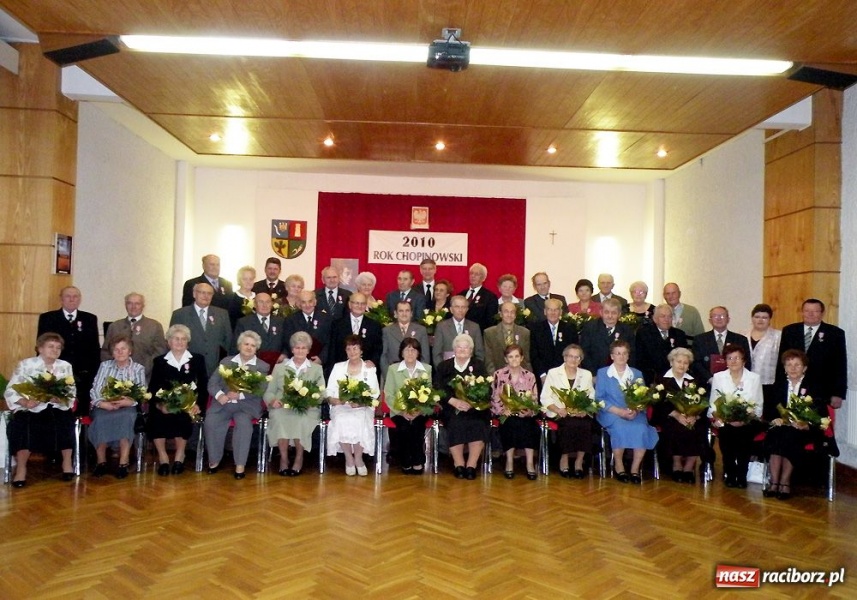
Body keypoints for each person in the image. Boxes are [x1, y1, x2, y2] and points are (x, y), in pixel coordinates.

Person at [3, 333, 77, 487]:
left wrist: (61, 398)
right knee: (24, 425)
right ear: (40, 348)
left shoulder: (65, 366)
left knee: (65, 421)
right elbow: (10, 390)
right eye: (50, 346)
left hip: (56, 407)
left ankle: (67, 463)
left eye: (58, 347)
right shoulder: (26, 364)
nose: (55, 350)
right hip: (30, 408)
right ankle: (21, 469)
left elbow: (71, 391)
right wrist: (24, 401)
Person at [205, 331, 271, 479]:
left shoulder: (262, 366)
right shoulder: (226, 362)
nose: (249, 347)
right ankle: (214, 460)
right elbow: (212, 383)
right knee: (210, 421)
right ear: (239, 345)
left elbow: (261, 389)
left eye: (253, 345)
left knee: (243, 425)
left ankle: (240, 465)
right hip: (223, 403)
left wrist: (240, 395)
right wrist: (220, 395)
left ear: (257, 349)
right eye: (246, 344)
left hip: (246, 406)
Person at [764, 350, 828, 500]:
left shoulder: (814, 387)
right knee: (775, 434)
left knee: (790, 436)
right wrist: (775, 419)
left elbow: (821, 414)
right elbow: (769, 411)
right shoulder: (778, 385)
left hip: (804, 429)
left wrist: (806, 424)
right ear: (784, 367)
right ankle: (774, 482)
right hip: (781, 427)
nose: (793, 368)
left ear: (804, 368)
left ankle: (785, 482)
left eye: (797, 365)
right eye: (789, 365)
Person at [264, 331, 327, 476]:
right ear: (292, 349)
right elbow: (269, 391)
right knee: (279, 419)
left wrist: (311, 402)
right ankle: (284, 459)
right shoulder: (280, 367)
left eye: (303, 348)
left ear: (308, 350)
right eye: (297, 348)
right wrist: (273, 401)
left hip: (307, 408)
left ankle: (299, 458)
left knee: (301, 420)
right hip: (283, 406)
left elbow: (322, 392)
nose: (300, 351)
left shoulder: (316, 369)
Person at [147, 324, 207, 476]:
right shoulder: (160, 361)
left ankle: (180, 456)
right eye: (176, 339)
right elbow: (153, 388)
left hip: (188, 404)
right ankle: (163, 457)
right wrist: (161, 405)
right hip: (165, 404)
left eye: (183, 339)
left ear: (188, 342)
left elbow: (203, 386)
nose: (180, 342)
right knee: (157, 417)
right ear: (169, 342)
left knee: (183, 416)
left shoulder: (197, 360)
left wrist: (198, 406)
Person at [595, 340, 658, 484]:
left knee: (641, 429)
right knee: (620, 428)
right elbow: (599, 399)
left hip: (634, 413)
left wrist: (635, 409)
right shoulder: (603, 373)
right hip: (611, 412)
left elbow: (642, 396)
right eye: (618, 353)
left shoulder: (637, 374)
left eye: (624, 353)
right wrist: (619, 411)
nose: (621, 356)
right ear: (612, 356)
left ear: (628, 356)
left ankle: (635, 469)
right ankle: (619, 466)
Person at [89, 336, 146, 479]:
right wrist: (102, 403)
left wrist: (129, 401)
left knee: (127, 417)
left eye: (123, 349)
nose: (120, 352)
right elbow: (96, 388)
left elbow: (141, 391)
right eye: (116, 349)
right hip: (104, 405)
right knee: (100, 418)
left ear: (130, 351)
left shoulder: (138, 368)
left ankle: (123, 462)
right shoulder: (105, 366)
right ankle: (101, 462)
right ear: (112, 352)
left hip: (127, 406)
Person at [37, 286, 100, 415]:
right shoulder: (48, 318)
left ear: (80, 299)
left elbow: (94, 348)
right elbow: (41, 346)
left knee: (82, 412)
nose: (72, 299)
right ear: (61, 298)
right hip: (56, 374)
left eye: (75, 296)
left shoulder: (90, 319)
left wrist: (94, 373)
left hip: (83, 375)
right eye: (68, 296)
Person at [434, 334, 490, 480]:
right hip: (451, 407)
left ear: (471, 350)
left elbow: (486, 388)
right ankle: (458, 463)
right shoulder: (444, 366)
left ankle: (471, 465)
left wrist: (472, 402)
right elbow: (438, 388)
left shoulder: (478, 365)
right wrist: (453, 401)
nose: (462, 350)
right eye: (459, 347)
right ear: (454, 349)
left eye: (466, 347)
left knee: (478, 424)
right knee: (455, 423)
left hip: (474, 408)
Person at [777, 298, 847, 410]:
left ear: (822, 313)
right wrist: (779, 385)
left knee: (816, 424)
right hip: (793, 387)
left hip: (822, 390)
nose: (810, 314)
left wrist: (838, 393)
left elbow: (840, 364)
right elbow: (782, 361)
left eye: (815, 311)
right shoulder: (789, 331)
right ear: (802, 312)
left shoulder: (835, 333)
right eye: (807, 310)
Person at [325, 335, 380, 476]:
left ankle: (358, 458)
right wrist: (335, 400)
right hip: (341, 405)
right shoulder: (338, 367)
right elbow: (329, 390)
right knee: (341, 420)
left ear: (361, 350)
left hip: (363, 406)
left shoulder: (369, 369)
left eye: (355, 348)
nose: (352, 351)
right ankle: (349, 458)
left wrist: (361, 402)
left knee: (359, 419)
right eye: (349, 349)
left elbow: (374, 392)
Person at [710, 344, 763, 488]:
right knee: (727, 435)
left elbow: (758, 404)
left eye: (737, 358)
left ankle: (741, 474)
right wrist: (721, 418)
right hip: (725, 420)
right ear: (725, 361)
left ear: (744, 360)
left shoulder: (754, 378)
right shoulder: (719, 377)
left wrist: (745, 418)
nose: (733, 361)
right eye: (729, 358)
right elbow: (714, 403)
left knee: (744, 436)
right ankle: (730, 472)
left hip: (748, 420)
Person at [540, 344, 595, 478]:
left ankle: (579, 462)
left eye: (577, 357)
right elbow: (544, 397)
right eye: (570, 356)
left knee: (586, 425)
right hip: (560, 413)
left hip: (580, 413)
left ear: (580, 360)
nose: (573, 360)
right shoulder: (553, 373)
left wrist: (584, 410)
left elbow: (592, 397)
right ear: (564, 357)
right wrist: (558, 409)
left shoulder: (586, 374)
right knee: (568, 425)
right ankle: (563, 460)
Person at [653, 347, 708, 484]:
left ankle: (689, 467)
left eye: (685, 362)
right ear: (671, 362)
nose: (682, 365)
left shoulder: (695, 380)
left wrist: (694, 416)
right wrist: (676, 415)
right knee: (675, 428)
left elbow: (702, 401)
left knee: (698, 428)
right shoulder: (661, 379)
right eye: (679, 361)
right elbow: (658, 403)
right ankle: (676, 464)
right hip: (669, 416)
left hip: (692, 417)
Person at [383, 337, 432, 474]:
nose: (410, 353)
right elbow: (389, 394)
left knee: (417, 426)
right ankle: (405, 460)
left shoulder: (426, 369)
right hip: (398, 411)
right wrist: (401, 411)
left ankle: (418, 460)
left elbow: (429, 393)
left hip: (420, 411)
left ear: (418, 353)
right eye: (407, 350)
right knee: (403, 427)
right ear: (401, 353)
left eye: (413, 350)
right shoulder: (393, 369)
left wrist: (418, 411)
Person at [491, 344, 539, 480]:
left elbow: (534, 398)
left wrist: (529, 410)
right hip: (506, 414)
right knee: (510, 425)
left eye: (517, 356)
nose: (514, 359)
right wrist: (502, 410)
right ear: (506, 359)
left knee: (529, 426)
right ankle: (509, 462)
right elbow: (494, 396)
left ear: (522, 358)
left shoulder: (530, 376)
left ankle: (530, 463)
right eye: (510, 357)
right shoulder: (499, 375)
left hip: (525, 414)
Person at [169, 282, 232, 377]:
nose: (206, 296)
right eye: (202, 292)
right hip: (187, 368)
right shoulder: (180, 314)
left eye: (209, 293)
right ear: (194, 294)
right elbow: (172, 342)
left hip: (214, 369)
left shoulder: (222, 314)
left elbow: (228, 341)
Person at [102, 293, 167, 380]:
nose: (133, 307)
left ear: (143, 306)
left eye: (137, 303)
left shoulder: (154, 326)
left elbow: (160, 352)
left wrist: (144, 368)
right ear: (125, 305)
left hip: (146, 376)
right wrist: (114, 368)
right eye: (130, 303)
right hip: (117, 377)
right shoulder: (114, 326)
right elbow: (106, 352)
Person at [692, 306, 752, 384]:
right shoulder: (699, 339)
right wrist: (710, 379)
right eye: (715, 316)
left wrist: (736, 379)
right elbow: (696, 363)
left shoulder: (740, 340)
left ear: (728, 319)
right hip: (707, 385)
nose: (719, 318)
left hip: (734, 384)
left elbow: (746, 362)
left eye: (722, 316)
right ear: (710, 320)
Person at [530, 298, 578, 389]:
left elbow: (574, 352)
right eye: (549, 309)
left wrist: (566, 373)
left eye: (556, 310)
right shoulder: (536, 329)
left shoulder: (570, 328)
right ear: (545, 311)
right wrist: (542, 375)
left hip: (565, 374)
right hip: (543, 376)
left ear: (560, 312)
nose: (552, 313)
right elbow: (534, 355)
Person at [744, 303, 782, 419]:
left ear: (770, 319)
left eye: (764, 317)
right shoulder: (742, 334)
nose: (760, 320)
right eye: (757, 317)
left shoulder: (778, 336)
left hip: (769, 384)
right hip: (746, 383)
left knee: (767, 416)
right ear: (752, 318)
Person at [635, 303, 689, 385]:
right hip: (652, 379)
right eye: (663, 316)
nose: (666, 319)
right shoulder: (644, 334)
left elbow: (685, 359)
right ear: (655, 319)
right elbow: (639, 360)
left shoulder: (679, 335)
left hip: (675, 379)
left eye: (669, 316)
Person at [329, 292, 383, 371]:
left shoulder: (374, 325)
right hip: (342, 369)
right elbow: (332, 350)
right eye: (356, 303)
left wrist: (373, 361)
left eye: (362, 303)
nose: (359, 306)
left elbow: (378, 348)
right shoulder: (337, 325)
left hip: (366, 369)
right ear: (350, 305)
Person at [580, 298, 635, 375]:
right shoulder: (590, 328)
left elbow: (631, 354)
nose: (610, 316)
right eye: (606, 312)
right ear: (601, 312)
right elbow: (583, 352)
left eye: (614, 313)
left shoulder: (627, 330)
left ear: (619, 314)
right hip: (594, 374)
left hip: (621, 373)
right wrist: (593, 374)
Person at [233, 292, 287, 366]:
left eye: (268, 302)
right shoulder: (244, 322)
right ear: (255, 304)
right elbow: (236, 346)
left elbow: (287, 342)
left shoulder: (281, 321)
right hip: (253, 365)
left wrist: (284, 354)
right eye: (261, 302)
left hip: (277, 364)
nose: (265, 305)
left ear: (272, 304)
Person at [283, 290, 333, 367]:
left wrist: (321, 358)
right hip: (297, 362)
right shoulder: (291, 320)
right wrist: (300, 357)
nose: (307, 305)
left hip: (319, 363)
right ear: (299, 304)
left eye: (310, 301)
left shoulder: (326, 319)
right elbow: (288, 342)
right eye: (303, 302)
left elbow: (330, 341)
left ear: (315, 302)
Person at [380, 301, 430, 375]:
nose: (404, 314)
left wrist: (420, 375)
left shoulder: (421, 330)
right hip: (393, 372)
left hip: (415, 374)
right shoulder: (386, 331)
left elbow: (425, 356)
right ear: (395, 314)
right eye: (401, 311)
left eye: (407, 311)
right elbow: (383, 356)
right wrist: (389, 375)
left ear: (411, 313)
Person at [432, 295, 485, 365]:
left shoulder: (474, 327)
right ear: (451, 309)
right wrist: (442, 370)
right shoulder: (442, 326)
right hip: (447, 369)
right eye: (457, 307)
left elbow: (479, 353)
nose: (460, 310)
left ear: (467, 309)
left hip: (469, 371)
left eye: (463, 307)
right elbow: (436, 353)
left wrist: (475, 370)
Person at [483, 301, 531, 373]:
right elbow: (489, 360)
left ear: (515, 315)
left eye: (512, 312)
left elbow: (526, 359)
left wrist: (526, 377)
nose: (509, 315)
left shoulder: (524, 332)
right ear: (500, 314)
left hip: (520, 377)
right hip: (497, 376)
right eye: (506, 312)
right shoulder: (489, 333)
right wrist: (496, 378)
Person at [464, 262, 500, 332]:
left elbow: (491, 322)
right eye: (471, 273)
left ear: (483, 278)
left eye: (477, 274)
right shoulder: (461, 294)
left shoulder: (490, 297)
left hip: (479, 335)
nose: (473, 276)